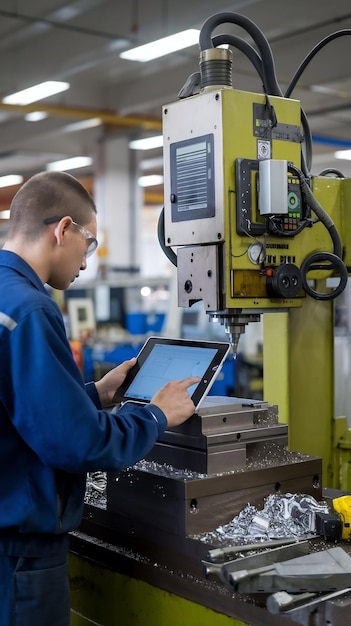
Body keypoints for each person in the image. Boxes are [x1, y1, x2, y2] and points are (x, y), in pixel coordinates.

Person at [0, 170, 200, 626]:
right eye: (88, 245)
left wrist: (96, 393)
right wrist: (155, 415)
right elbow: (78, 445)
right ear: (63, 229)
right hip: (19, 555)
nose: (86, 263)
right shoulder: (31, 310)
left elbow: (20, 409)